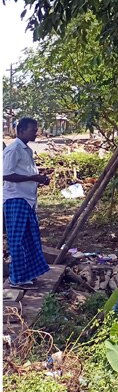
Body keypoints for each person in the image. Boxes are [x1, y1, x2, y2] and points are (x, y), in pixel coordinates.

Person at [3, 117, 51, 288]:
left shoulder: (26, 150)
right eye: (33, 129)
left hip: (27, 200)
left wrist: (39, 179)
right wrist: (33, 177)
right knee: (17, 241)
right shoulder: (13, 149)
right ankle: (16, 279)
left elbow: (25, 173)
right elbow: (6, 174)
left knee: (29, 239)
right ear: (21, 130)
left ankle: (27, 274)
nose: (36, 133)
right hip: (16, 199)